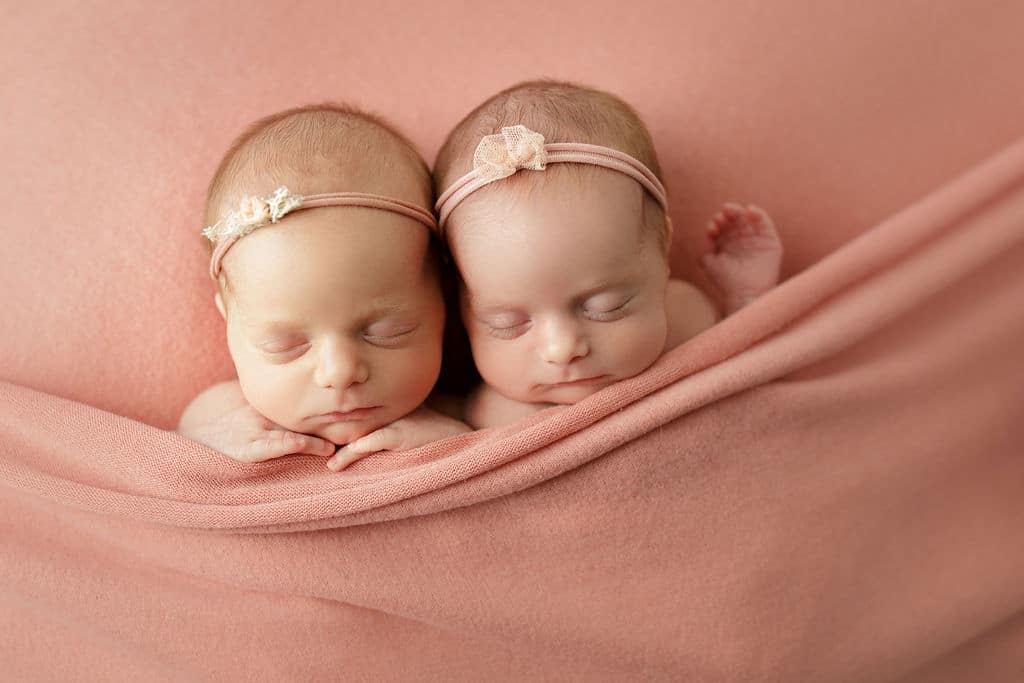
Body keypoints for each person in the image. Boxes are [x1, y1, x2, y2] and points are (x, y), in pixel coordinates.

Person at [433, 80, 783, 428]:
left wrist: (747, 299)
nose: (562, 348)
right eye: (507, 324)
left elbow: (752, 383)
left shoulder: (685, 321)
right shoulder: (495, 411)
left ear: (662, 253)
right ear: (462, 308)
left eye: (606, 306)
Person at [178, 104, 469, 470]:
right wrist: (205, 446)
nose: (340, 372)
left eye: (386, 331)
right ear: (229, 321)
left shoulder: (465, 412)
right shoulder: (217, 416)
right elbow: (159, 472)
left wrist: (457, 447)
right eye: (285, 344)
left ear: (444, 298)